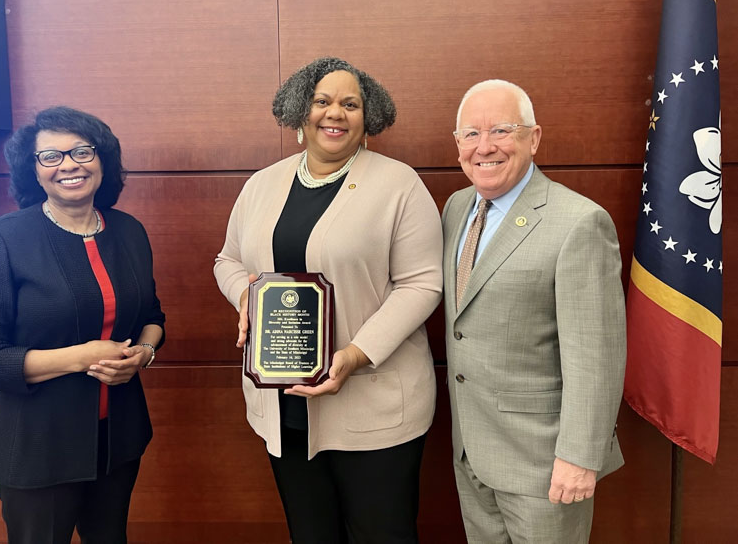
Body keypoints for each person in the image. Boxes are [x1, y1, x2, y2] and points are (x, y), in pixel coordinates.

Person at [214, 57, 442, 544]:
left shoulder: (399, 185)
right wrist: (246, 300)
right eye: (322, 101)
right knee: (311, 535)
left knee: (384, 535)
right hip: (282, 403)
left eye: (350, 103)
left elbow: (422, 283)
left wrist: (356, 355)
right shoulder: (261, 185)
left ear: (368, 118)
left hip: (374, 407)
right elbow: (227, 261)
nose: (334, 113)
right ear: (301, 111)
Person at [0, 106, 165, 544]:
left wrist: (143, 355)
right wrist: (81, 358)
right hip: (38, 449)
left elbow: (152, 318)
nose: (69, 164)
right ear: (33, 171)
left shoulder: (129, 231)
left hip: (117, 441)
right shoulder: (6, 239)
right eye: (50, 156)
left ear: (102, 160)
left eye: (81, 152)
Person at [442, 80, 626, 543]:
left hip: (545, 464)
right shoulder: (456, 207)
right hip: (471, 451)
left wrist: (580, 457)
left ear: (534, 138)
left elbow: (596, 355)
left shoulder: (579, 223)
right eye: (470, 134)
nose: (484, 147)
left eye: (502, 130)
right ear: (458, 144)